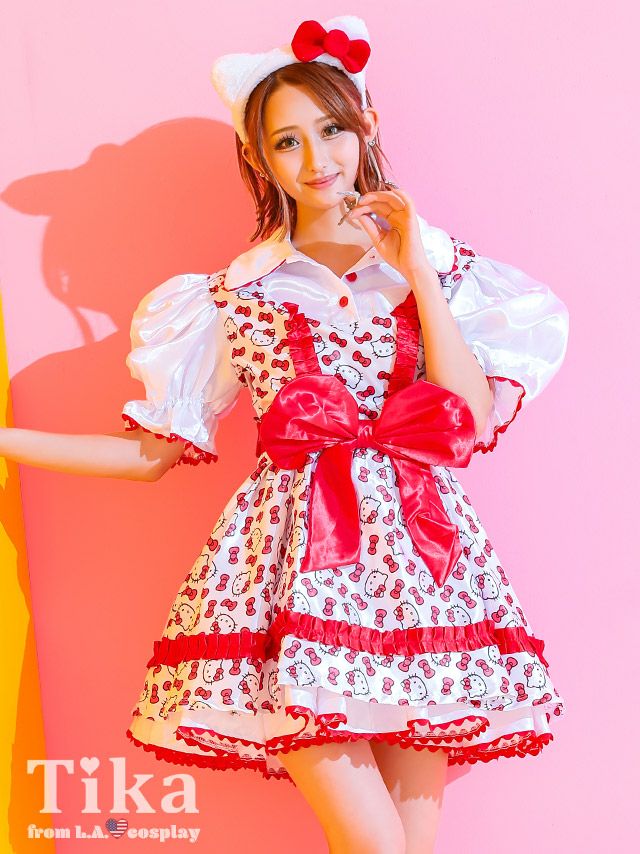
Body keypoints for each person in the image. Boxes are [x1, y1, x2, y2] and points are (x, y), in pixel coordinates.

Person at [1, 14, 570, 854]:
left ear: (366, 124)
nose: (317, 159)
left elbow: (467, 418)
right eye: (287, 142)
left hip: (426, 579)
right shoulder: (235, 296)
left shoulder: (446, 273)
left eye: (331, 129)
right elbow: (150, 454)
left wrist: (415, 267)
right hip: (289, 578)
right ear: (259, 158)